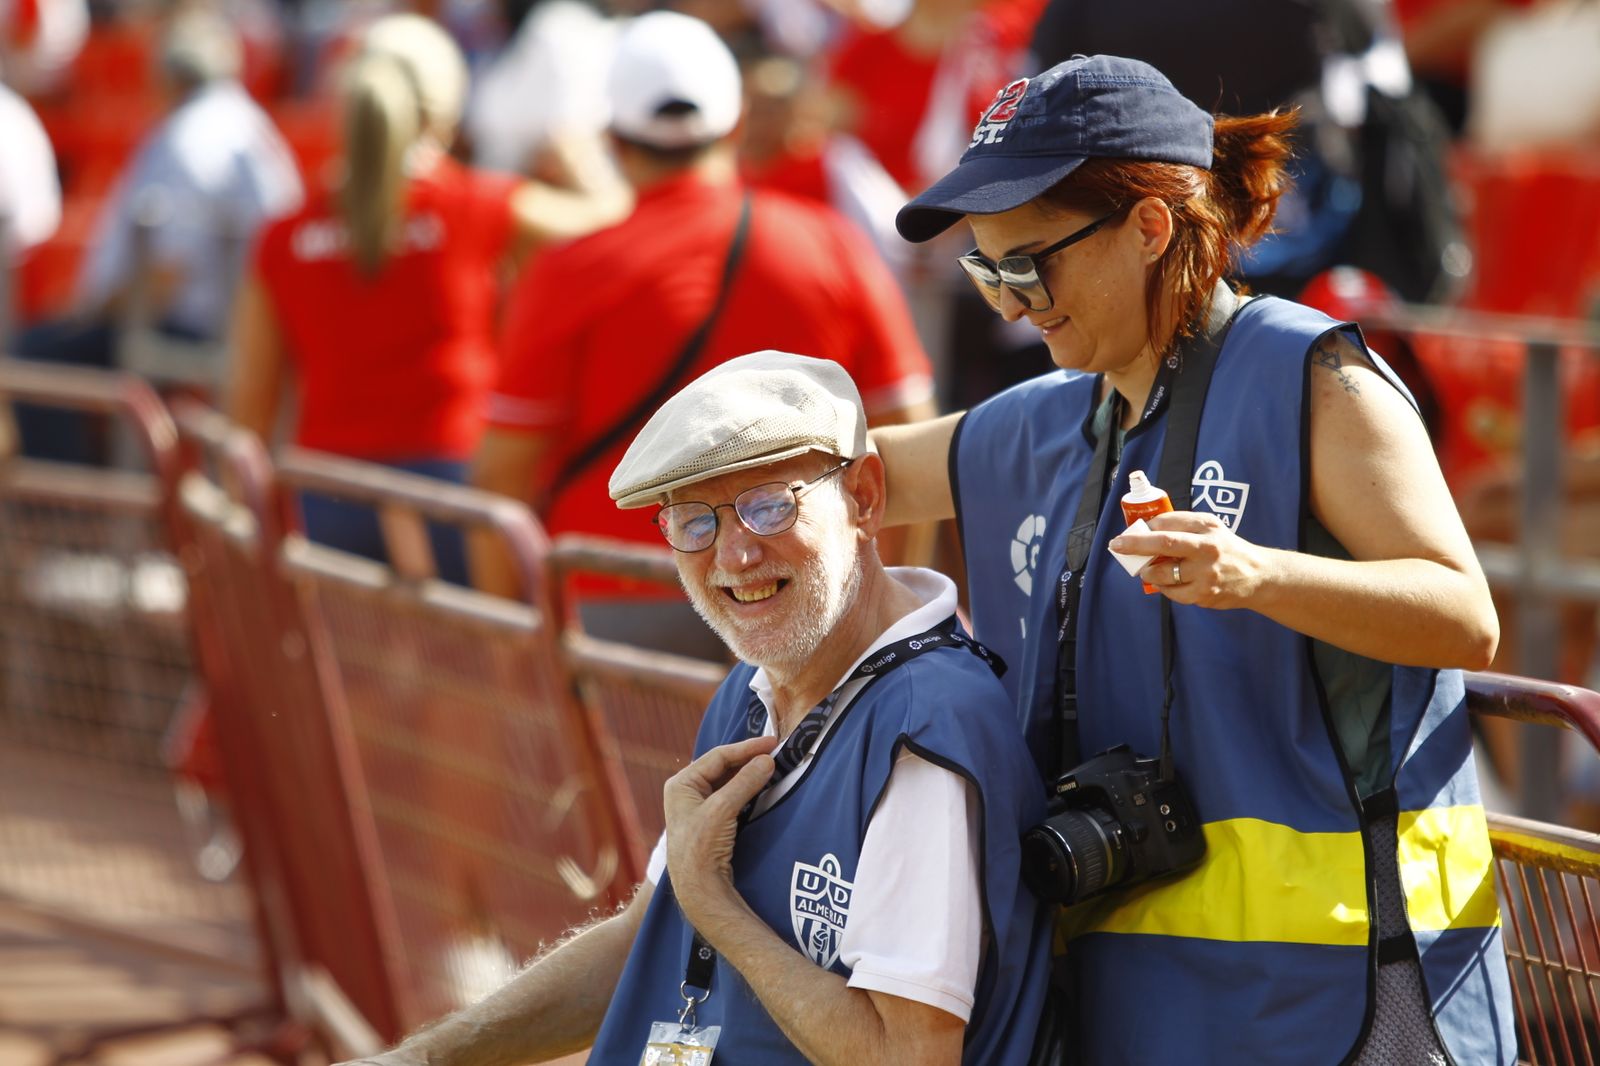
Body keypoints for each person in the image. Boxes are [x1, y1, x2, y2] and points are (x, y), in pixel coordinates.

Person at [877, 55, 1513, 1065]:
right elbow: (851, 475)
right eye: (985, 271)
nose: (1011, 306)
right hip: (1145, 1002)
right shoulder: (1052, 413)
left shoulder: (1315, 375)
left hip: (1350, 995)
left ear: (1148, 226)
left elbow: (1461, 613)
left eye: (1030, 265)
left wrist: (1256, 575)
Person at [337, 351, 1051, 1065]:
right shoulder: (754, 686)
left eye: (770, 504)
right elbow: (640, 941)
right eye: (693, 522)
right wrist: (420, 1061)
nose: (734, 555)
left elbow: (908, 1056)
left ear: (862, 498)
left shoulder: (927, 729)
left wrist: (714, 907)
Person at [473, 10, 935, 654]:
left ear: (614, 138)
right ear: (738, 124)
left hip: (616, 605)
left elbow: (503, 477)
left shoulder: (568, 270)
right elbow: (905, 433)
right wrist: (877, 615)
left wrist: (511, 645)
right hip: (803, 596)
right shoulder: (830, 245)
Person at [227, 13, 627, 581]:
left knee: (345, 672)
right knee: (472, 668)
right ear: (444, 110)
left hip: (325, 497)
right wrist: (579, 157)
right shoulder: (479, 205)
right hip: (453, 494)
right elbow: (626, 223)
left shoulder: (281, 236)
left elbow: (251, 399)